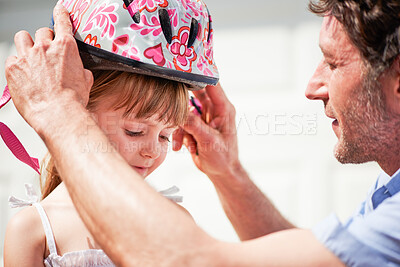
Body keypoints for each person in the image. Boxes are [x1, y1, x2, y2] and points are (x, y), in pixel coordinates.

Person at [4, 0, 400, 266]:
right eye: (135, 129)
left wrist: (58, 113)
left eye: (333, 63)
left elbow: (189, 258)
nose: (311, 86)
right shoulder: (386, 199)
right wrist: (228, 172)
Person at [3, 0, 218, 266]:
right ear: (79, 108)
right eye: (134, 131)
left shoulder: (175, 221)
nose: (152, 150)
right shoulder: (33, 230)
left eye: (165, 135)